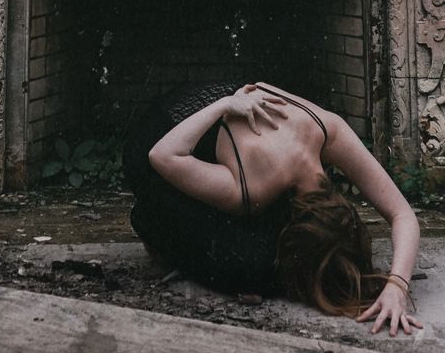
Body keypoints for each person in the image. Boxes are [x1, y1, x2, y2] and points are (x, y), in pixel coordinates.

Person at [123, 80, 423, 336]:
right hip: (153, 147)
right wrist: (224, 105)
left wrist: (397, 286)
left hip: (190, 101)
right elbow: (160, 156)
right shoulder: (252, 189)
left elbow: (402, 214)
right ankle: (151, 221)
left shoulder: (329, 129)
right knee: (251, 265)